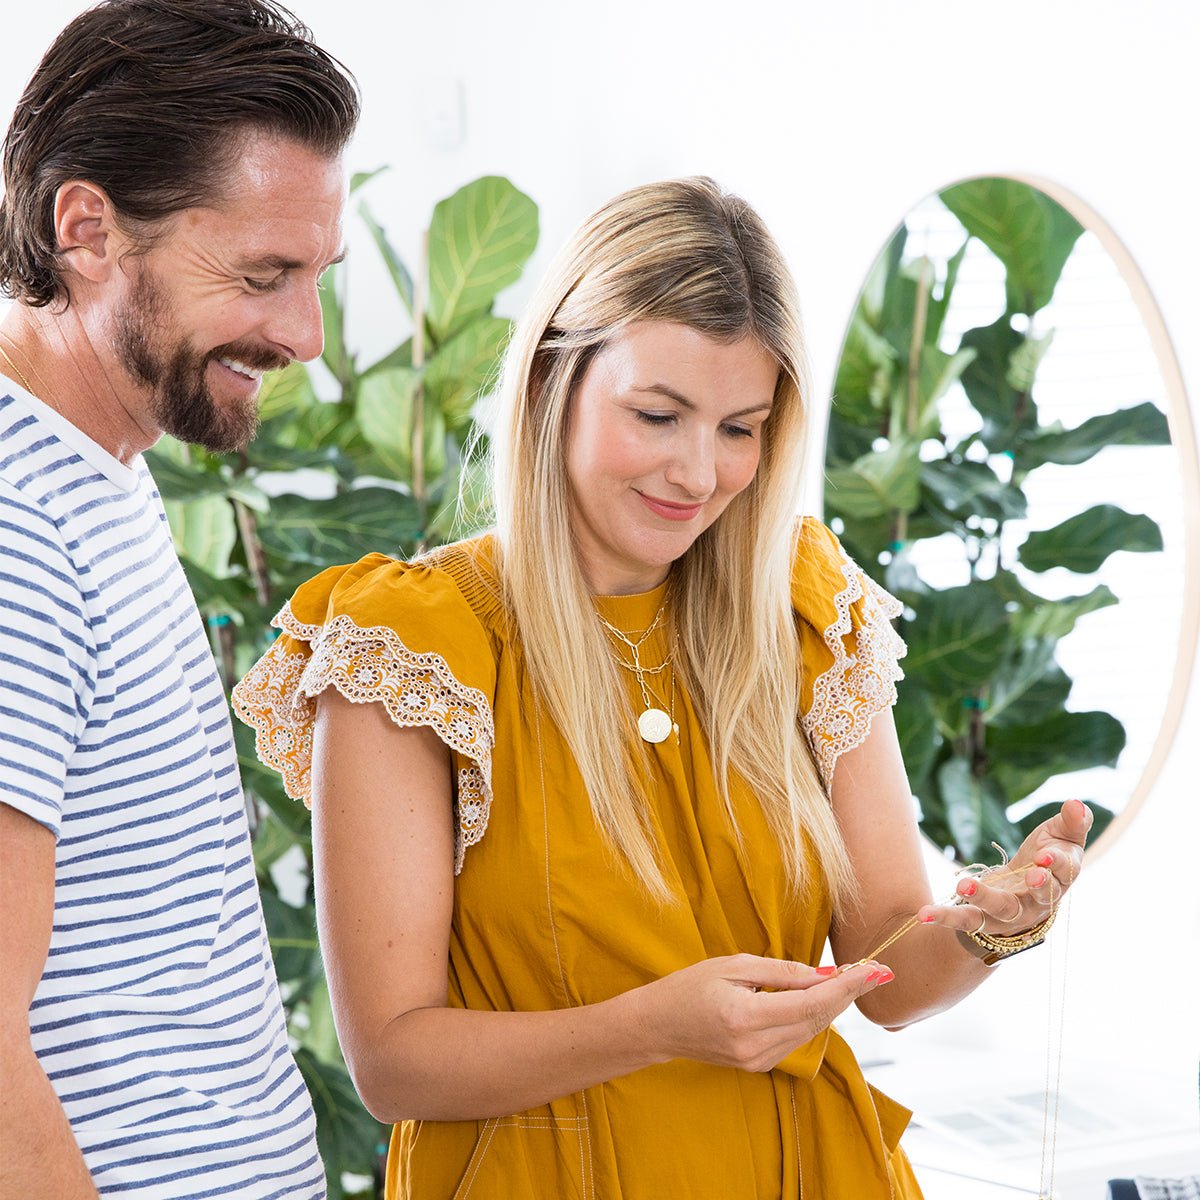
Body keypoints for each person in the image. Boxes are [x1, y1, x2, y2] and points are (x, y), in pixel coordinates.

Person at [233, 177, 1091, 1199]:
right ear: (555, 378)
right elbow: (392, 1062)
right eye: (659, 414)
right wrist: (653, 1028)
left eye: (741, 427)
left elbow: (886, 973)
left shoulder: (805, 614)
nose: (699, 471)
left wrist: (991, 924)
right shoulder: (415, 648)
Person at [0, 2, 357, 1197]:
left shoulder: (97, 465)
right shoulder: (17, 523)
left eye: (316, 277)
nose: (304, 335)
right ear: (88, 229)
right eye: (263, 276)